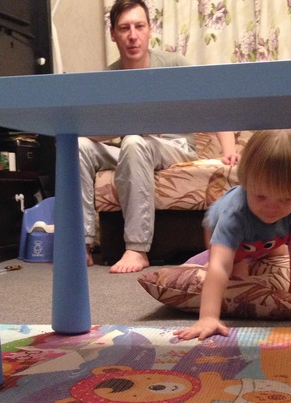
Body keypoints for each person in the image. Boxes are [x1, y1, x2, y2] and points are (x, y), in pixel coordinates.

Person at [80, 0, 238, 273]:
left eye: (139, 26)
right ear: (113, 34)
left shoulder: (173, 64)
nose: (133, 35)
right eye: (124, 28)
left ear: (150, 30)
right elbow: (90, 130)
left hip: (174, 147)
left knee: (133, 141)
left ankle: (137, 249)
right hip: (131, 148)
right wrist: (131, 126)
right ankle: (81, 244)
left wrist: (229, 150)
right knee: (79, 145)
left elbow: (214, 101)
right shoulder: (108, 77)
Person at [174, 129, 291, 341]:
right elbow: (220, 266)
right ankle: (221, 259)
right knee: (236, 272)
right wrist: (208, 317)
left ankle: (261, 251)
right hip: (224, 232)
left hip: (267, 239)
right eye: (261, 196)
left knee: (277, 253)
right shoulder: (234, 211)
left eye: (286, 199)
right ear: (246, 182)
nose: (272, 208)